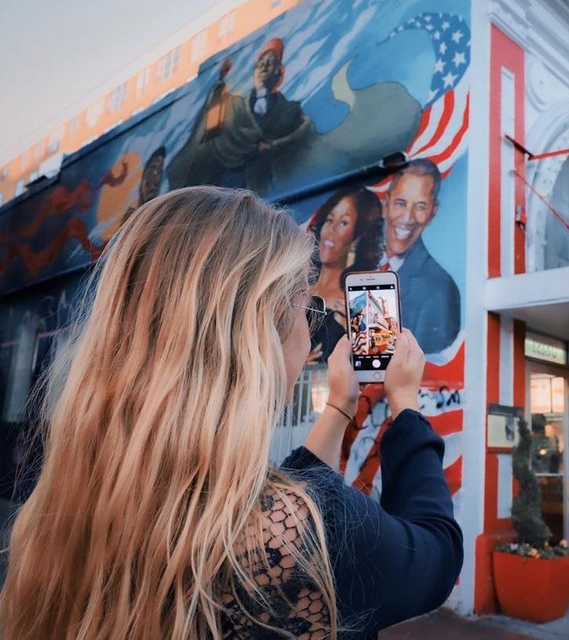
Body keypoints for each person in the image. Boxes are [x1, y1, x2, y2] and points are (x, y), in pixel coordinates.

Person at [0, 187, 462, 639]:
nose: (312, 326)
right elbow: (436, 553)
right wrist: (405, 406)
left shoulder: (72, 495)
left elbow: (295, 494)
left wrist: (341, 403)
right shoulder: (305, 536)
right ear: (261, 333)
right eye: (308, 308)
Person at [167, 38, 312, 193]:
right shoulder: (236, 106)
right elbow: (212, 123)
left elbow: (301, 135)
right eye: (260, 63)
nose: (263, 67)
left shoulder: (289, 110)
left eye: (270, 63)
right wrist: (220, 82)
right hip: (226, 185)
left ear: (279, 71)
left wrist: (273, 147)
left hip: (259, 185)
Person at [383, 159, 460, 354]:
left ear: (433, 212)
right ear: (386, 203)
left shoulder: (439, 289)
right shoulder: (361, 265)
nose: (407, 218)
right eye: (400, 203)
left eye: (420, 207)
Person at [309, 187, 384, 362]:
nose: (331, 230)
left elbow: (376, 365)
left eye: (343, 223)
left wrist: (353, 337)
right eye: (329, 220)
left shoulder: (363, 300)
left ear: (357, 239)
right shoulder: (295, 288)